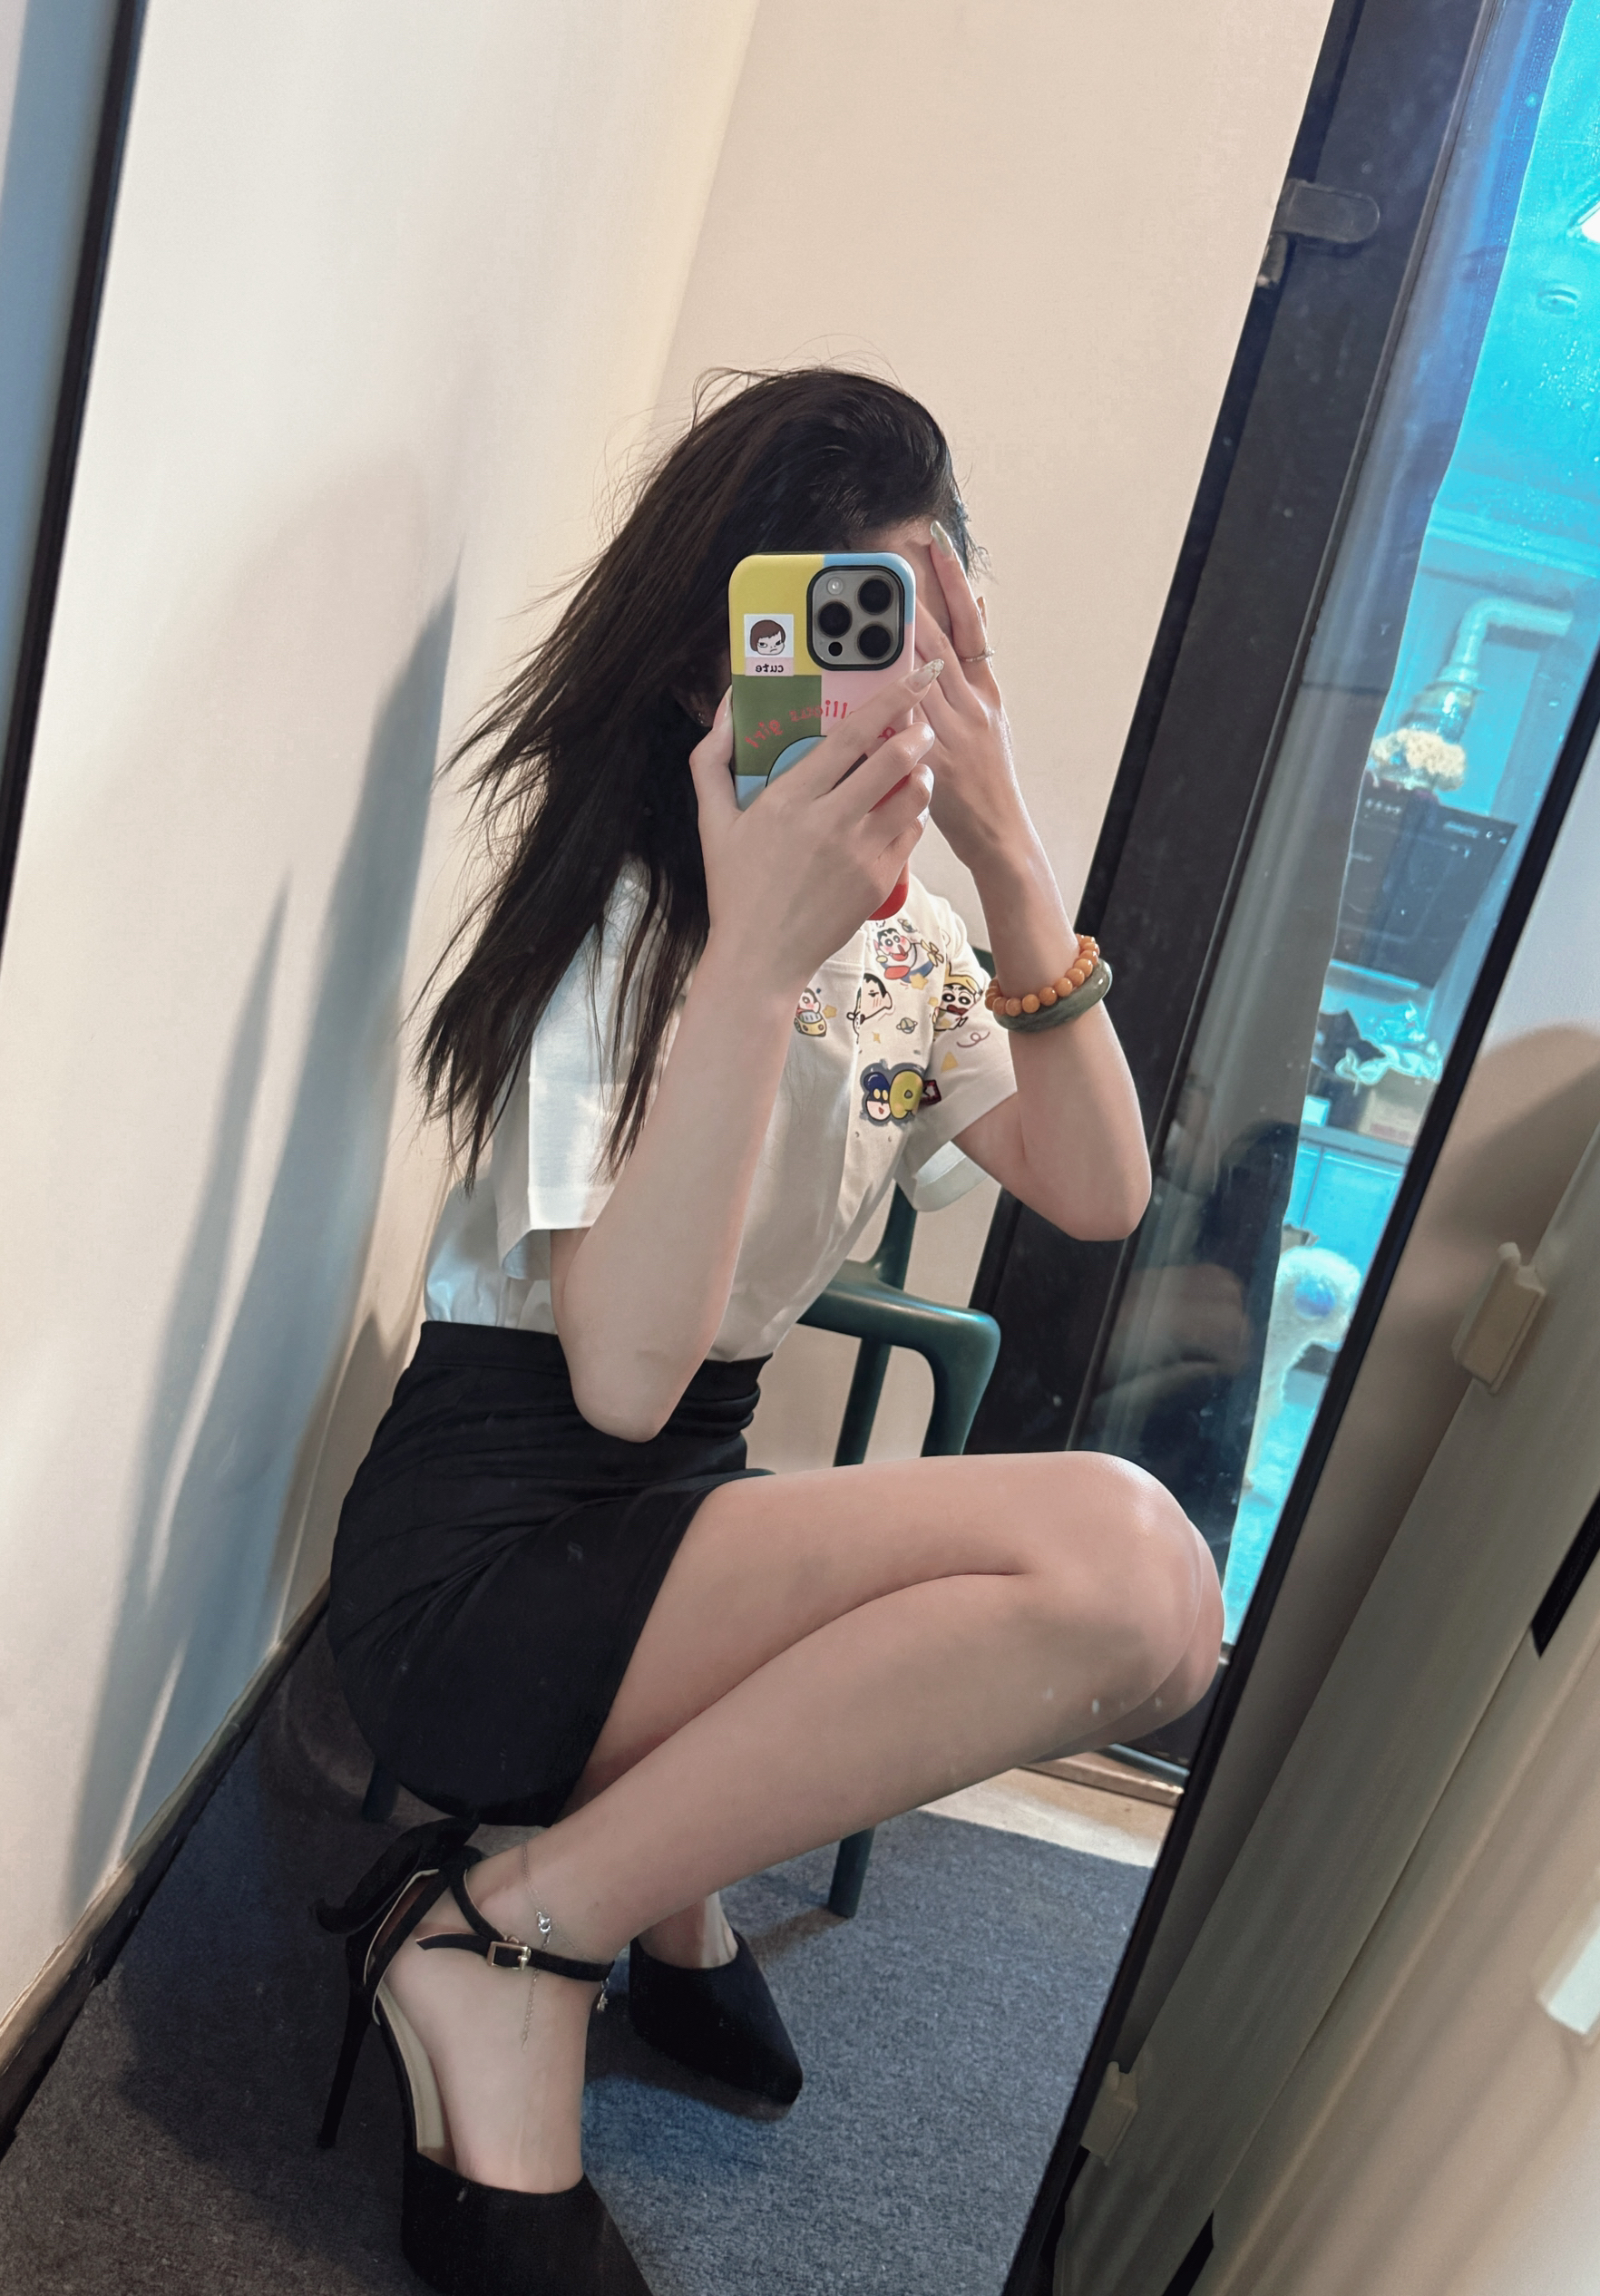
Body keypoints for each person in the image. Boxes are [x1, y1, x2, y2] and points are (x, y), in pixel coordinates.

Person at [317, 370, 1223, 2295]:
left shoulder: (908, 951)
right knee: (1125, 1564)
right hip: (488, 1558)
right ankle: (516, 1932)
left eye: (930, 637)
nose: (897, 696)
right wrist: (750, 957)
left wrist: (1007, 853)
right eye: (849, 635)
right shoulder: (623, 922)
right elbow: (620, 1382)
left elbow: (1097, 1190)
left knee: (1152, 1604)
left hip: (678, 1509)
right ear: (710, 668)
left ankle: (618, 1887)